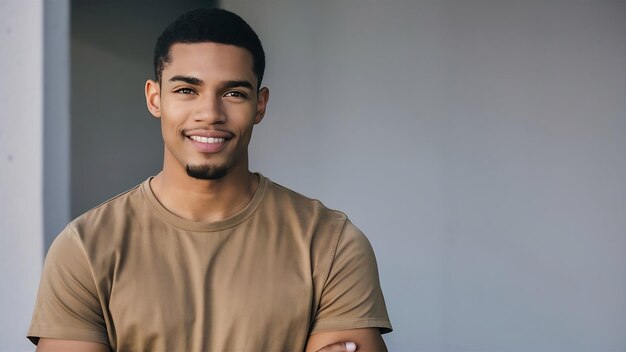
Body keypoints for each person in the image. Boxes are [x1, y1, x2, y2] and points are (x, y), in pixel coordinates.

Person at [28, 8, 392, 352]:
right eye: (187, 90)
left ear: (260, 106)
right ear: (155, 98)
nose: (210, 114)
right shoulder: (85, 249)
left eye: (233, 93)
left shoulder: (330, 245)